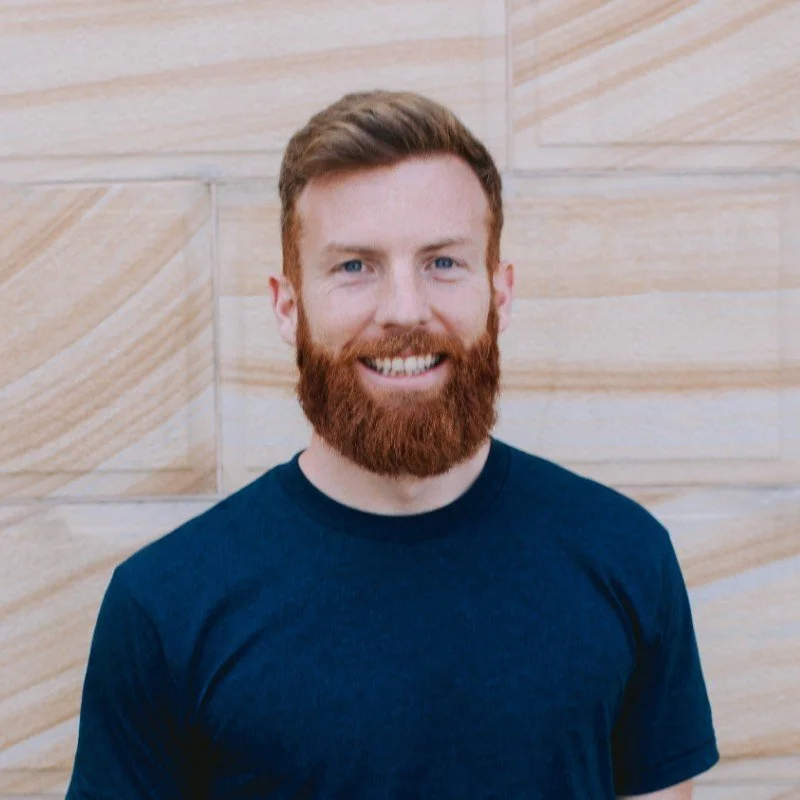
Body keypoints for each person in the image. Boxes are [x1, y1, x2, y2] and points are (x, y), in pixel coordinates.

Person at [66, 90, 719, 799]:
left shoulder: (624, 554)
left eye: (443, 262)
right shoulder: (165, 603)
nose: (405, 309)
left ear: (499, 293)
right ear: (289, 306)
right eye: (355, 266)